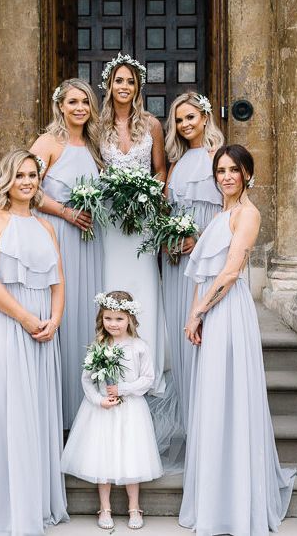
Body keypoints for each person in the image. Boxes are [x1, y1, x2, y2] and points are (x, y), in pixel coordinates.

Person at [180, 144, 296, 535]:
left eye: (234, 170)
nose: (226, 176)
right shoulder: (219, 214)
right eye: (221, 170)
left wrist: (201, 311)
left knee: (230, 397)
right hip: (209, 312)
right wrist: (193, 315)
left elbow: (229, 273)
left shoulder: (248, 214)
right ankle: (215, 494)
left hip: (228, 313)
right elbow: (203, 273)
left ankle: (237, 499)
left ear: (247, 173)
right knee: (212, 400)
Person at [0, 149, 69, 536]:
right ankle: (4, 507)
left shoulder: (46, 227)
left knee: (35, 410)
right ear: (7, 179)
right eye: (20, 174)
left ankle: (33, 502)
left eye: (33, 175)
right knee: (7, 409)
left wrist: (54, 319)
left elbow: (58, 281)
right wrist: (24, 317)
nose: (27, 181)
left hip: (43, 330)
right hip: (6, 324)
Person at [30, 78, 105, 429]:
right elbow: (28, 189)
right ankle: (56, 410)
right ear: (60, 105)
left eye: (85, 103)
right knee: (62, 311)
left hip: (89, 240)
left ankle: (83, 407)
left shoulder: (92, 146)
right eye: (73, 102)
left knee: (83, 311)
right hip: (57, 234)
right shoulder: (48, 143)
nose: (79, 108)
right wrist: (66, 213)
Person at [61, 290, 163, 531]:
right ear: (101, 319)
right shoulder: (99, 345)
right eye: (108, 318)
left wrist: (123, 389)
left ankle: (134, 507)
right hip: (102, 411)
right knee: (102, 456)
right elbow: (87, 379)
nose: (113, 324)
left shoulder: (139, 346)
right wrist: (99, 400)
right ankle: (104, 507)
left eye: (119, 319)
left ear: (130, 319)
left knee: (132, 456)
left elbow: (148, 378)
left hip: (131, 410)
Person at [98, 53, 167, 396]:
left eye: (130, 81)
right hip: (110, 220)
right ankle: (110, 363)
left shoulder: (152, 125)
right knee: (112, 280)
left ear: (137, 88)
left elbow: (161, 169)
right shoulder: (98, 127)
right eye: (118, 81)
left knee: (143, 284)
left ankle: (145, 368)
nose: (124, 86)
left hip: (142, 222)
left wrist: (151, 195)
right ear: (109, 86)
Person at [161, 91, 224, 429]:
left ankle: (208, 419)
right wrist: (169, 241)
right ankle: (188, 418)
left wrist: (197, 240)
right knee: (180, 333)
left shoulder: (218, 157)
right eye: (179, 120)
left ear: (205, 118)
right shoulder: (176, 164)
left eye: (190, 117)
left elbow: (229, 214)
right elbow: (168, 212)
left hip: (207, 260)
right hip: (177, 263)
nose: (185, 124)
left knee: (203, 332)